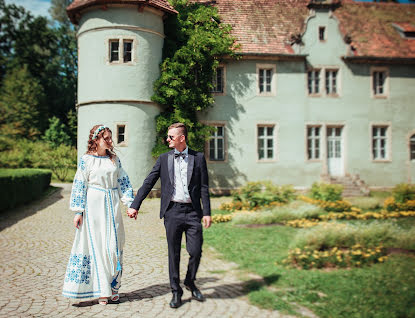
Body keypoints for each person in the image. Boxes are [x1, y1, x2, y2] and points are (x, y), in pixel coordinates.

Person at [127, 122, 212, 308]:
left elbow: (204, 187)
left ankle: (190, 281)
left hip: (192, 212)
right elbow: (149, 181)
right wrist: (135, 205)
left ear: (182, 138)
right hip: (172, 212)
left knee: (195, 251)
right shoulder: (163, 159)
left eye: (171, 137)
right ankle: (176, 291)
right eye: (168, 136)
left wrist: (207, 212)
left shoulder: (198, 158)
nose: (167, 140)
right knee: (173, 254)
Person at [62, 125, 134, 305]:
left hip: (113, 205)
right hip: (93, 206)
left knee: (114, 246)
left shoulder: (114, 160)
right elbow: (80, 184)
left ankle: (114, 287)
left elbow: (123, 182)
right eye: (106, 138)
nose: (110, 141)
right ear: (96, 140)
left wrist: (130, 203)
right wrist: (78, 211)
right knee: (99, 247)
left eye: (111, 137)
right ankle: (103, 291)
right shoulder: (87, 160)